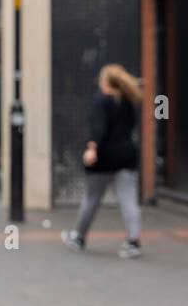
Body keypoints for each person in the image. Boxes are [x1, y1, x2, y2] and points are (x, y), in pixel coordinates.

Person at [61, 64, 143, 258]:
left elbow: (99, 128)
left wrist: (92, 149)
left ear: (104, 82)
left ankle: (78, 237)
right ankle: (133, 241)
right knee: (128, 199)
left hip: (104, 157)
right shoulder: (128, 101)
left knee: (92, 199)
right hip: (126, 155)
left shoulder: (101, 101)